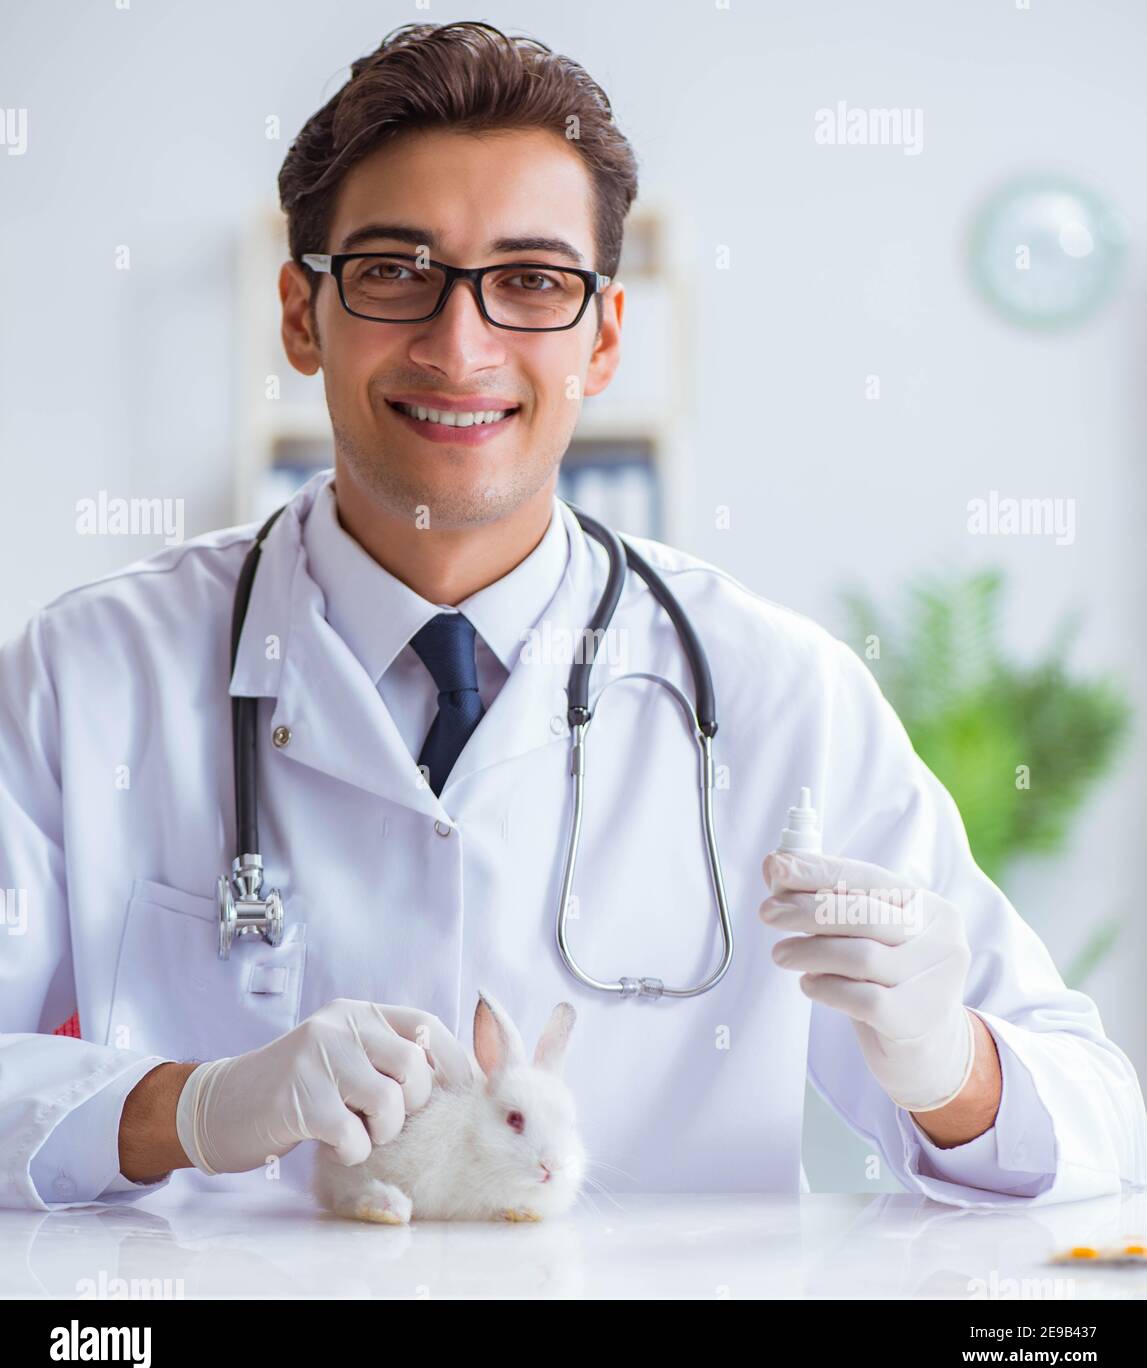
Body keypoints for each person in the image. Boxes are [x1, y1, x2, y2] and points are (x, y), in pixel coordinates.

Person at [1, 21, 1143, 1214]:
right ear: (301, 314)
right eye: (395, 271)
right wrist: (182, 1106)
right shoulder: (84, 676)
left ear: (602, 334)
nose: (460, 345)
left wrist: (946, 1063)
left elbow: (1098, 1121)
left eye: (532, 282)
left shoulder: (776, 695)